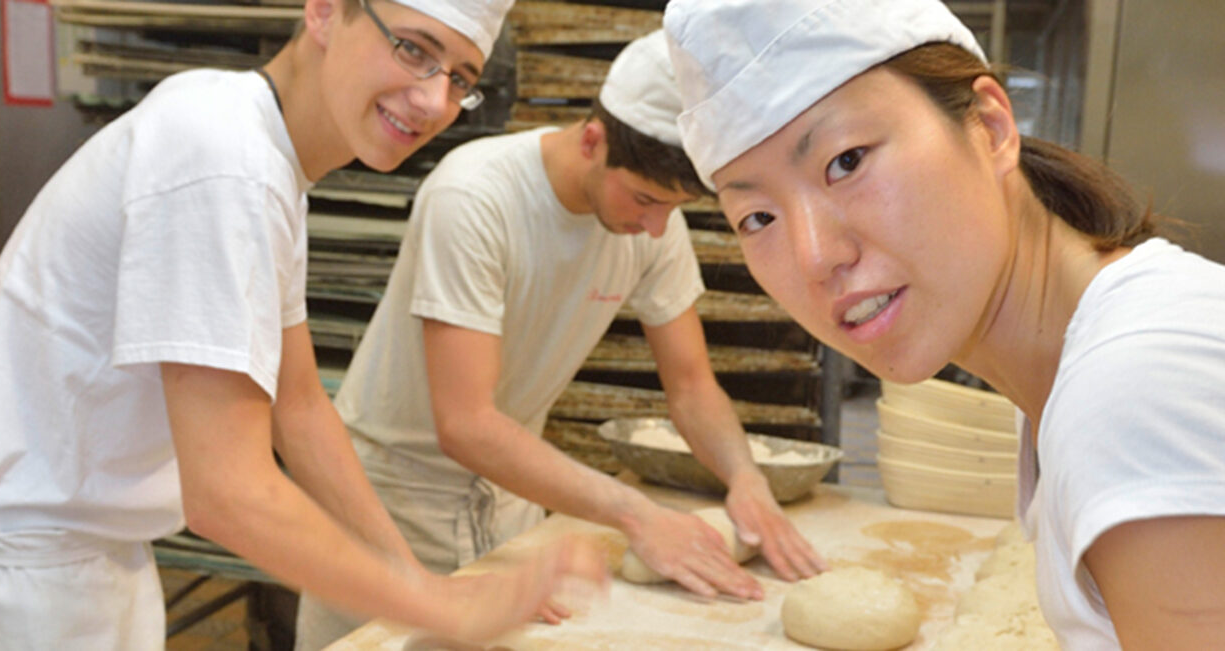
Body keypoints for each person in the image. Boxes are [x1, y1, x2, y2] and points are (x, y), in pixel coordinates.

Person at [663, 0, 1225, 649]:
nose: (816, 254)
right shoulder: (1103, 357)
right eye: (756, 215)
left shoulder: (1144, 388)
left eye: (846, 160)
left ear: (990, 126)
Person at [0, 0, 609, 648]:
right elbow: (228, 493)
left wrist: (418, 580)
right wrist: (442, 612)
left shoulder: (259, 152)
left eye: (460, 77)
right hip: (11, 601)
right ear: (326, 12)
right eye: (413, 49)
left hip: (79, 571)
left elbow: (297, 408)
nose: (432, 99)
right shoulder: (223, 158)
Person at [296, 30, 829, 649]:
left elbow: (689, 385)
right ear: (593, 140)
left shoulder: (653, 226)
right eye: (646, 199)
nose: (655, 228)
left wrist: (745, 478)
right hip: (392, 510)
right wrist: (637, 514)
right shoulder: (475, 197)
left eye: (675, 209)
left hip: (512, 505)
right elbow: (465, 423)